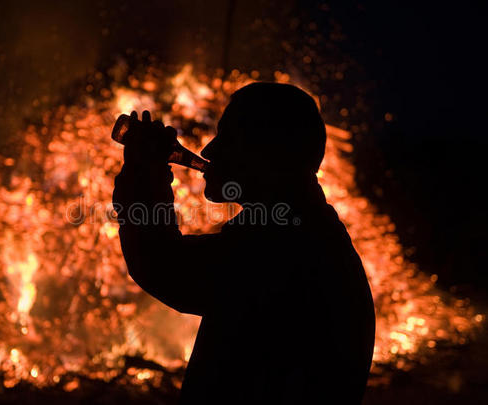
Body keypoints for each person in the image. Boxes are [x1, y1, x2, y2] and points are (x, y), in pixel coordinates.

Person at [112, 82, 375, 404]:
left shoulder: (286, 243)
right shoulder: (305, 229)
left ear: (267, 152)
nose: (209, 151)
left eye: (228, 137)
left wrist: (143, 172)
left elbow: (164, 267)